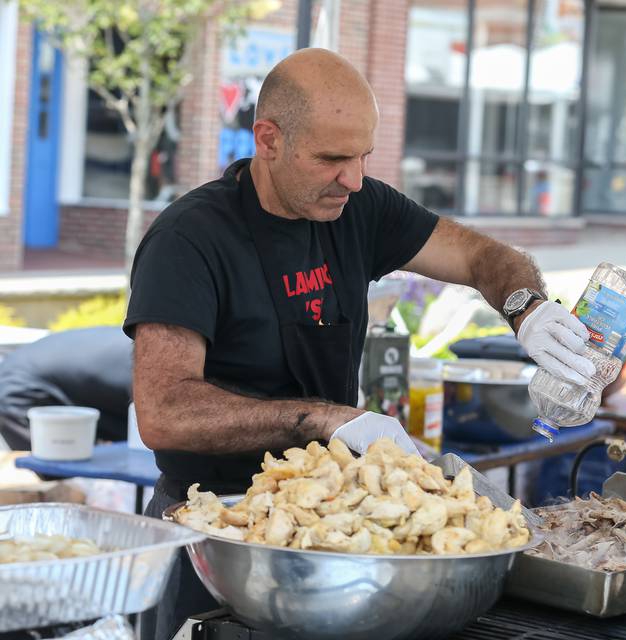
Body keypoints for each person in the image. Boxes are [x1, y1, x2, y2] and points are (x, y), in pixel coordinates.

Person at [124, 48, 595, 639]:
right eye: (331, 159)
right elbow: (164, 412)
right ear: (267, 139)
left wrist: (527, 310)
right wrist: (322, 419)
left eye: (363, 157)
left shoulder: (358, 208)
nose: (353, 178)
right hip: (218, 536)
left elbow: (486, 256)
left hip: (334, 530)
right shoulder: (189, 240)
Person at [0, 327, 132, 450]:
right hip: (21, 385)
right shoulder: (144, 363)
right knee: (59, 459)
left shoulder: (142, 337)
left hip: (43, 369)